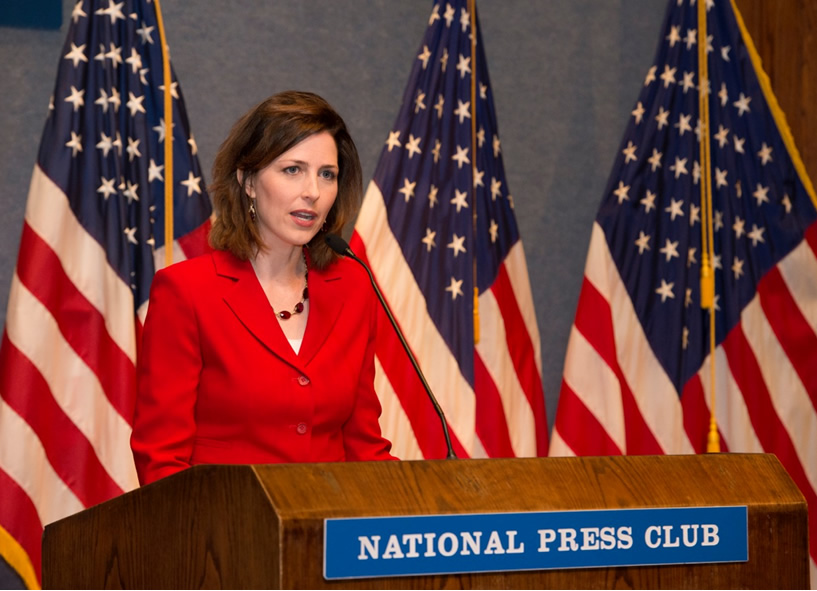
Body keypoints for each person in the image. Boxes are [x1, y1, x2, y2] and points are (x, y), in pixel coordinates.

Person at [130, 91, 395, 485]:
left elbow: (363, 446)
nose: (313, 191)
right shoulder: (187, 292)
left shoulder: (352, 288)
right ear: (248, 180)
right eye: (293, 170)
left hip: (329, 532)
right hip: (224, 535)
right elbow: (161, 460)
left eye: (327, 174)